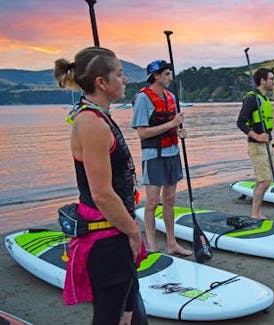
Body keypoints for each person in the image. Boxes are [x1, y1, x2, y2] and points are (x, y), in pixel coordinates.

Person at [54, 46, 147, 324]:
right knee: (110, 316)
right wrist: (133, 233)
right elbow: (102, 194)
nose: (126, 80)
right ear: (102, 82)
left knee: (132, 315)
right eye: (120, 74)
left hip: (116, 229)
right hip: (106, 238)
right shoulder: (92, 124)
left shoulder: (99, 116)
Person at [132, 60, 192, 256]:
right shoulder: (143, 98)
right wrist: (171, 124)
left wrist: (180, 132)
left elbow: (175, 125)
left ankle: (171, 243)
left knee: (170, 199)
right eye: (166, 74)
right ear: (156, 76)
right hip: (153, 156)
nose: (170, 77)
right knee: (151, 203)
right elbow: (142, 133)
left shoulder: (171, 97)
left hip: (172, 153)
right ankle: (152, 246)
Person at [236, 67, 274, 219]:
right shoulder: (252, 98)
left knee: (262, 181)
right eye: (271, 79)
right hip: (257, 146)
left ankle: (257, 212)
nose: (273, 82)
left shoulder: (264, 99)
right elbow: (240, 122)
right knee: (265, 182)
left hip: (267, 145)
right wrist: (257, 136)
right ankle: (255, 214)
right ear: (262, 80)